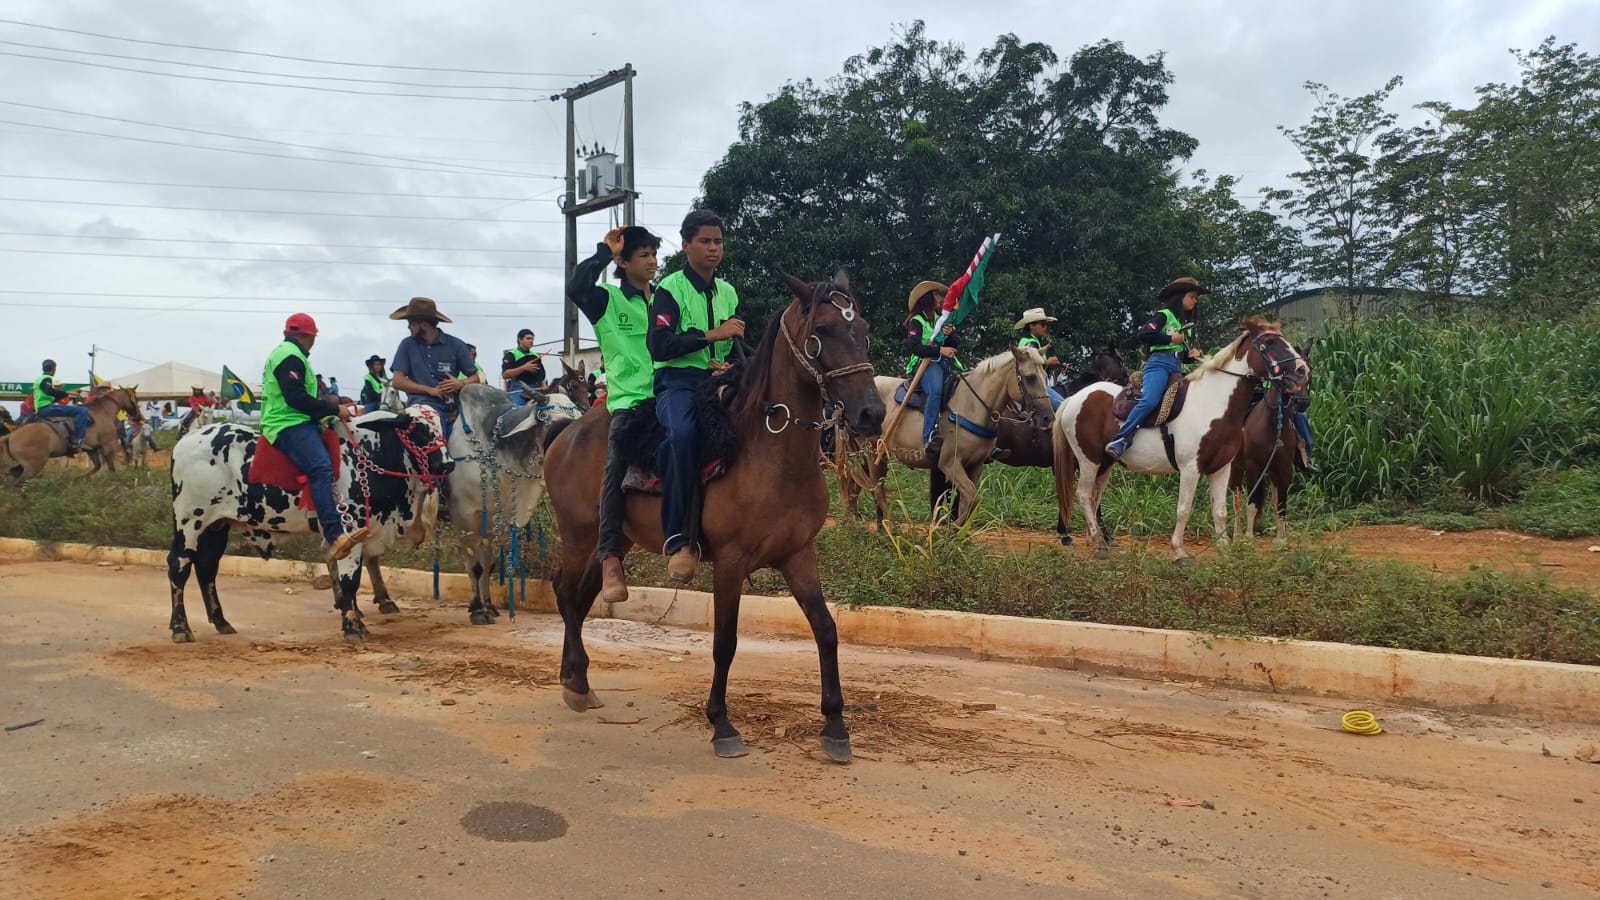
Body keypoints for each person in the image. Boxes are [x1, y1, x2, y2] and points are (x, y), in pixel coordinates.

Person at [647, 210, 743, 582]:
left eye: (718, 241)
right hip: (677, 381)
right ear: (686, 245)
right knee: (682, 434)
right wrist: (712, 336)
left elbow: (737, 343)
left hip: (719, 379)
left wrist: (732, 363)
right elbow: (659, 345)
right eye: (705, 241)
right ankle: (678, 539)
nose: (713, 248)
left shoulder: (729, 292)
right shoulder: (669, 289)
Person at [568, 224, 662, 603]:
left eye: (655, 254)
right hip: (630, 401)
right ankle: (610, 556)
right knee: (616, 464)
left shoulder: (666, 299)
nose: (653, 261)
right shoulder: (607, 299)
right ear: (623, 263)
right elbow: (576, 287)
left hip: (673, 394)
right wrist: (604, 252)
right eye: (644, 255)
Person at [260, 313, 366, 561]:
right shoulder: (290, 356)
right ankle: (335, 535)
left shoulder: (289, 354)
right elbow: (296, 398)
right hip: (288, 423)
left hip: (296, 420)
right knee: (320, 468)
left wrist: (332, 405)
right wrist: (334, 409)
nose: (313, 343)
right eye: (313, 338)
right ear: (308, 336)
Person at [1105, 277, 1207, 461]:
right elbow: (1145, 334)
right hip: (1159, 363)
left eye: (1196, 298)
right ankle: (1121, 439)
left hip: (1177, 366)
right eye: (1192, 296)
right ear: (1180, 296)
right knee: (1150, 399)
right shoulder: (1164, 315)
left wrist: (1191, 355)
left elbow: (1181, 353)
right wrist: (1170, 339)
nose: (1195, 301)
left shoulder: (1187, 326)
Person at [388, 296, 479, 435]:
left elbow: (475, 377)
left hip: (454, 406)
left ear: (423, 325)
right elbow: (397, 381)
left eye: (411, 323)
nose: (408, 327)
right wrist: (429, 390)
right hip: (420, 406)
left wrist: (461, 383)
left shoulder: (456, 345)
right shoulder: (407, 345)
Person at [903, 281, 961, 458]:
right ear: (927, 298)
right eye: (936, 295)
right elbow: (915, 347)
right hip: (925, 363)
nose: (940, 298)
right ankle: (928, 437)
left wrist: (950, 335)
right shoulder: (917, 321)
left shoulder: (941, 320)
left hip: (946, 363)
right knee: (935, 391)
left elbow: (955, 344)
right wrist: (940, 350)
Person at [1014, 306, 1065, 411]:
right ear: (1031, 326)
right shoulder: (1030, 344)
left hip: (1035, 386)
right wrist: (1048, 363)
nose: (1045, 328)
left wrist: (1056, 365)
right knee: (1063, 407)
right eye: (1042, 324)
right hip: (1034, 388)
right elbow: (1030, 367)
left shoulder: (1031, 341)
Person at [32, 360, 89, 453]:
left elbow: (50, 396)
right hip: (46, 409)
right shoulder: (46, 379)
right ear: (54, 369)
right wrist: (66, 393)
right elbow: (49, 391)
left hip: (42, 408)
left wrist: (67, 395)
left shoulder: (39, 379)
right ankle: (77, 440)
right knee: (82, 411)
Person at [501, 329, 546, 406]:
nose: (531, 341)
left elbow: (541, 375)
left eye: (532, 339)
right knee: (516, 409)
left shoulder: (536, 355)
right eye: (528, 338)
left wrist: (544, 386)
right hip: (519, 388)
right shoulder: (511, 354)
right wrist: (524, 368)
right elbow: (505, 374)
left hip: (536, 388)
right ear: (520, 340)